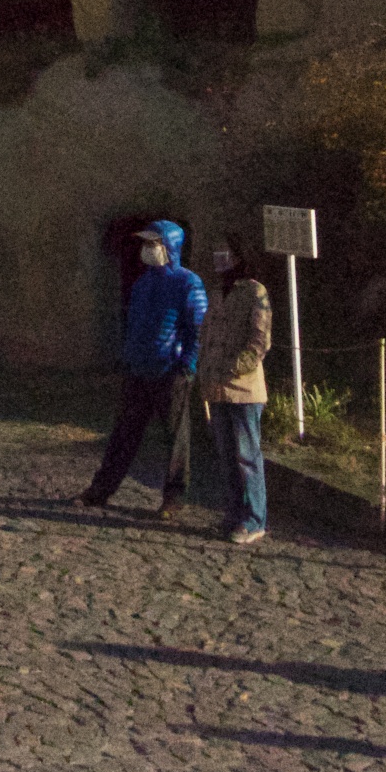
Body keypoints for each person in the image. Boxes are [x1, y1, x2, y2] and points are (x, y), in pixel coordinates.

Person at [76, 220, 208, 519]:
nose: (147, 250)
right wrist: (129, 357)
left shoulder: (188, 283)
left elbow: (198, 329)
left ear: (170, 247)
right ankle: (100, 490)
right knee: (123, 435)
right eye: (145, 244)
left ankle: (173, 498)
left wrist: (187, 366)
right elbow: (133, 324)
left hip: (170, 372)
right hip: (138, 370)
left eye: (154, 244)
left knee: (175, 439)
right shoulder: (143, 283)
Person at [196, 233, 273, 545]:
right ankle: (233, 515)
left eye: (225, 252)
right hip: (215, 387)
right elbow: (208, 333)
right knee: (226, 456)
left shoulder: (255, 291)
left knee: (247, 456)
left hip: (243, 389)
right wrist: (204, 369)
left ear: (239, 256)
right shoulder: (217, 293)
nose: (219, 258)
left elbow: (259, 341)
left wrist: (233, 368)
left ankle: (255, 520)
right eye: (216, 252)